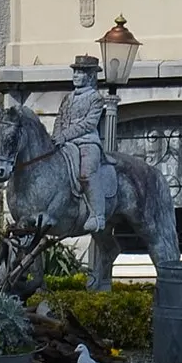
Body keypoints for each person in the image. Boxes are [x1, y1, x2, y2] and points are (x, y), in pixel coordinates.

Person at [56, 56, 118, 235]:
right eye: (75, 71)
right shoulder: (68, 98)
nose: (76, 75)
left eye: (80, 72)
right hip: (64, 142)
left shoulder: (96, 98)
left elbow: (89, 124)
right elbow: (60, 118)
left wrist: (65, 136)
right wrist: (56, 137)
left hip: (87, 142)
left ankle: (98, 214)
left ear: (91, 76)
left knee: (86, 173)